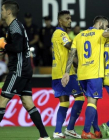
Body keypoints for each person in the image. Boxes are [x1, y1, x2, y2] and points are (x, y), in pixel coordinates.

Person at [0, 1, 50, 140]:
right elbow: (16, 48)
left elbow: (16, 47)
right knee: (28, 103)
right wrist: (5, 49)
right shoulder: (16, 26)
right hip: (25, 69)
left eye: (3, 9)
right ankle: (44, 136)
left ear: (9, 12)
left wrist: (4, 44)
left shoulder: (14, 26)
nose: (1, 11)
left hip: (18, 70)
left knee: (2, 101)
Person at [61, 16, 109, 139]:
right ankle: (86, 131)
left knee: (91, 102)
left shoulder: (79, 36)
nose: (107, 27)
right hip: (95, 73)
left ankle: (96, 130)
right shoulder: (101, 33)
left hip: (81, 75)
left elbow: (71, 54)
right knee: (93, 102)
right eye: (106, 25)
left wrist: (66, 72)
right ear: (100, 23)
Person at [52, 10, 85, 139]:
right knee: (80, 98)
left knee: (64, 103)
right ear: (60, 21)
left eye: (70, 18)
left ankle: (57, 131)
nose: (70, 20)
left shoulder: (58, 33)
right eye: (67, 18)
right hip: (65, 73)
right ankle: (70, 128)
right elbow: (70, 46)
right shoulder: (61, 33)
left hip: (57, 73)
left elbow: (68, 55)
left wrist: (77, 66)